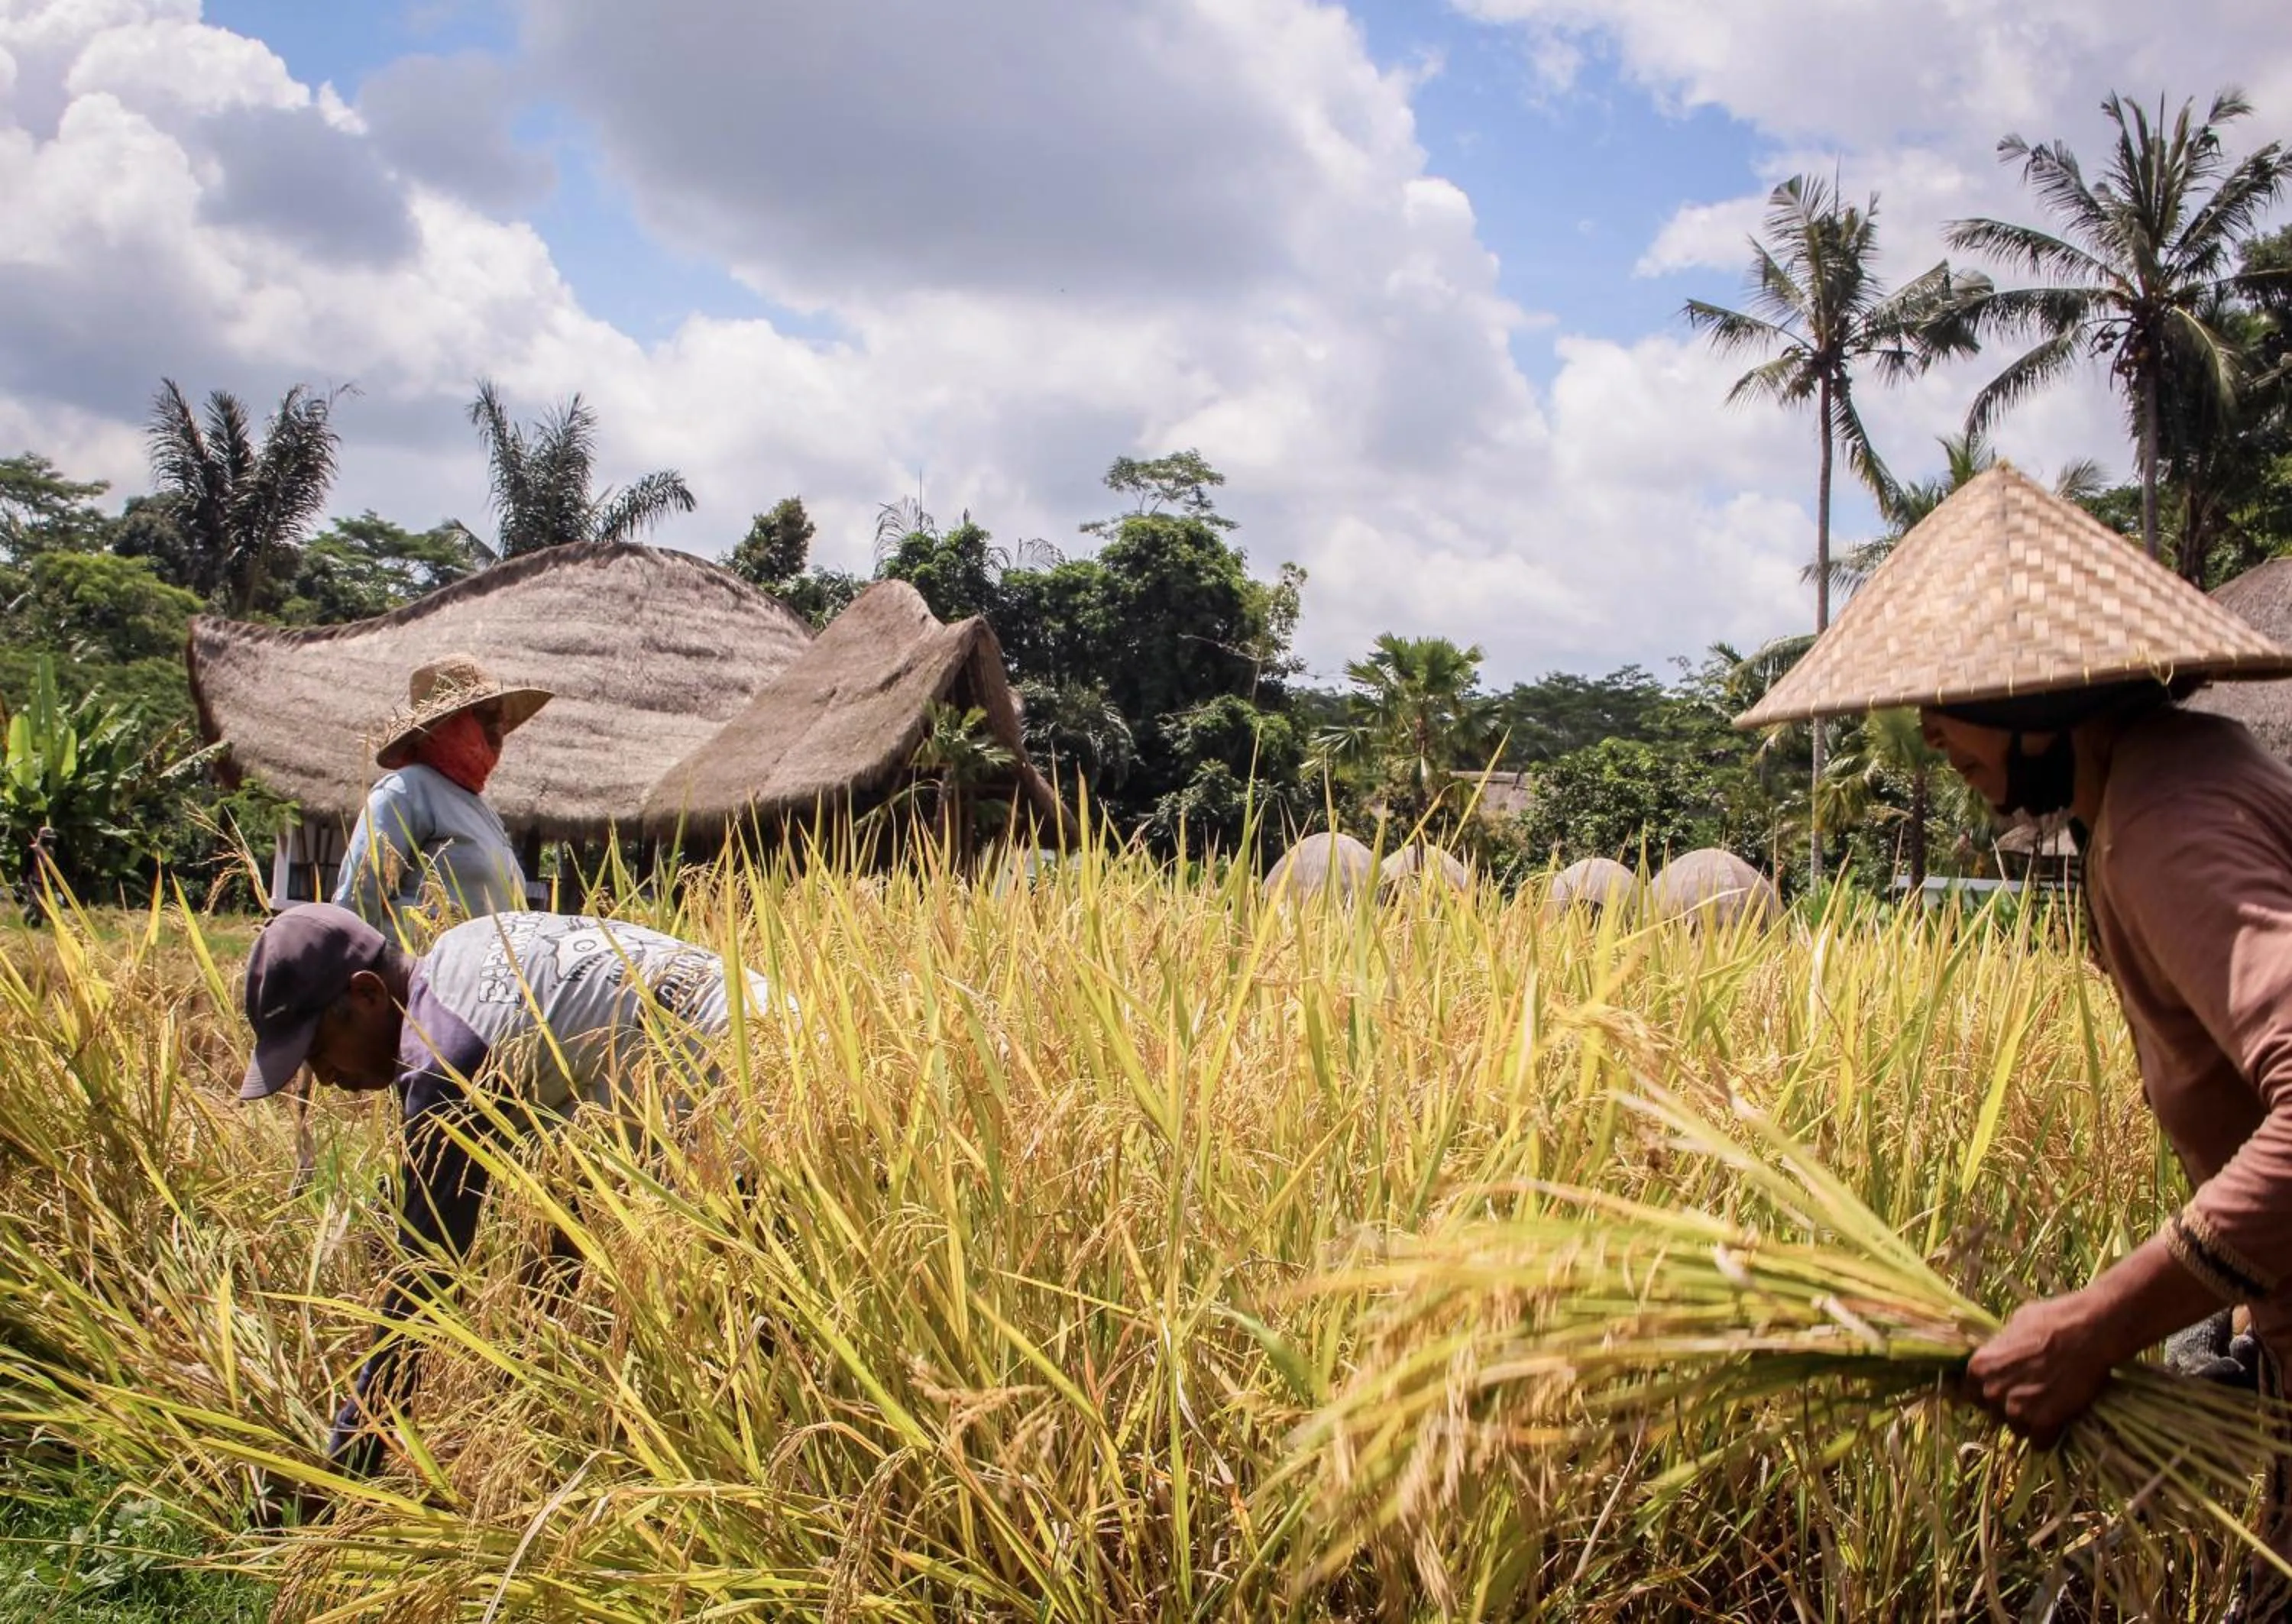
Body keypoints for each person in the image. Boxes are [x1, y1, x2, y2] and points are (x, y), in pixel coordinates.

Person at [1737, 464, 2292, 1606]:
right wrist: (2238, 1306)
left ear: (2041, 701)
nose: (1930, 727)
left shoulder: (2161, 824)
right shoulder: (2190, 772)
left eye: (1951, 696)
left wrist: (2098, 1324)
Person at [237, 901, 779, 1479]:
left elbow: (426, 1281)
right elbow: (580, 1176)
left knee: (764, 1344)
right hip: (796, 1045)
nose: (323, 1079)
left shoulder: (444, 1059)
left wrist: (349, 1457)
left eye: (317, 1051)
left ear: (368, 993)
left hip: (754, 1100)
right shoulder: (466, 949)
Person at [332, 655, 552, 927]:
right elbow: (355, 903)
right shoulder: (406, 792)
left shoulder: (483, 812)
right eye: (485, 715)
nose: (498, 727)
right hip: (423, 966)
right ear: (446, 725)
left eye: (500, 716)